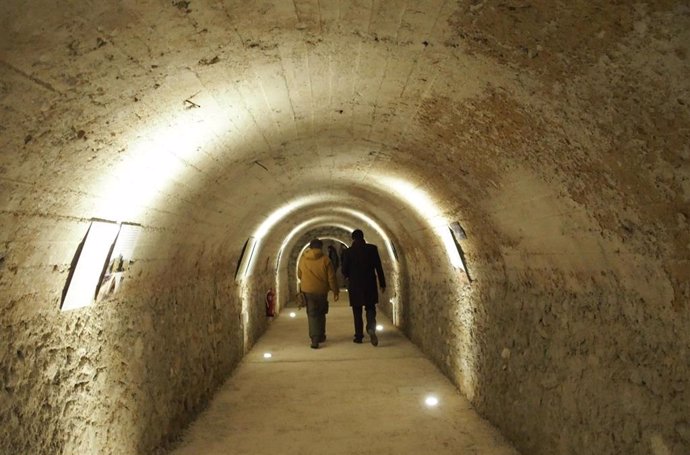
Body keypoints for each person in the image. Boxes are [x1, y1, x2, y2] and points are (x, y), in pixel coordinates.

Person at [341, 229, 386, 346]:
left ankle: (359, 336)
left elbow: (344, 269)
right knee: (370, 308)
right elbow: (378, 267)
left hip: (355, 285)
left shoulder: (348, 252)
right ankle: (371, 328)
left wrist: (347, 277)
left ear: (353, 238)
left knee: (357, 311)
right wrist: (382, 283)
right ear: (363, 237)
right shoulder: (372, 249)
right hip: (369, 284)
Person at [297, 238, 339, 349]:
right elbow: (331, 277)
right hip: (321, 290)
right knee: (321, 312)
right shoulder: (326, 260)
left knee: (312, 314)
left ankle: (314, 337)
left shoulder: (303, 259)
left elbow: (299, 274)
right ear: (321, 247)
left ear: (310, 247)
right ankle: (320, 335)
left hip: (307, 290)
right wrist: (335, 291)